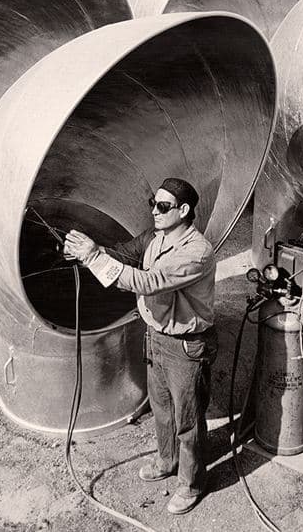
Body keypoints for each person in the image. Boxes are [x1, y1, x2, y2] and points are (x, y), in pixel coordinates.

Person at [64, 177, 217, 516]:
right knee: (162, 410)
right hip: (157, 338)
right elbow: (123, 253)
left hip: (186, 347)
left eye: (163, 206)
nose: (154, 211)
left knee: (188, 420)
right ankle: (167, 460)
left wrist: (92, 258)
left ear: (184, 211)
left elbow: (148, 282)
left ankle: (191, 484)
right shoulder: (155, 237)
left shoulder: (196, 252)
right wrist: (88, 251)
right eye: (153, 202)